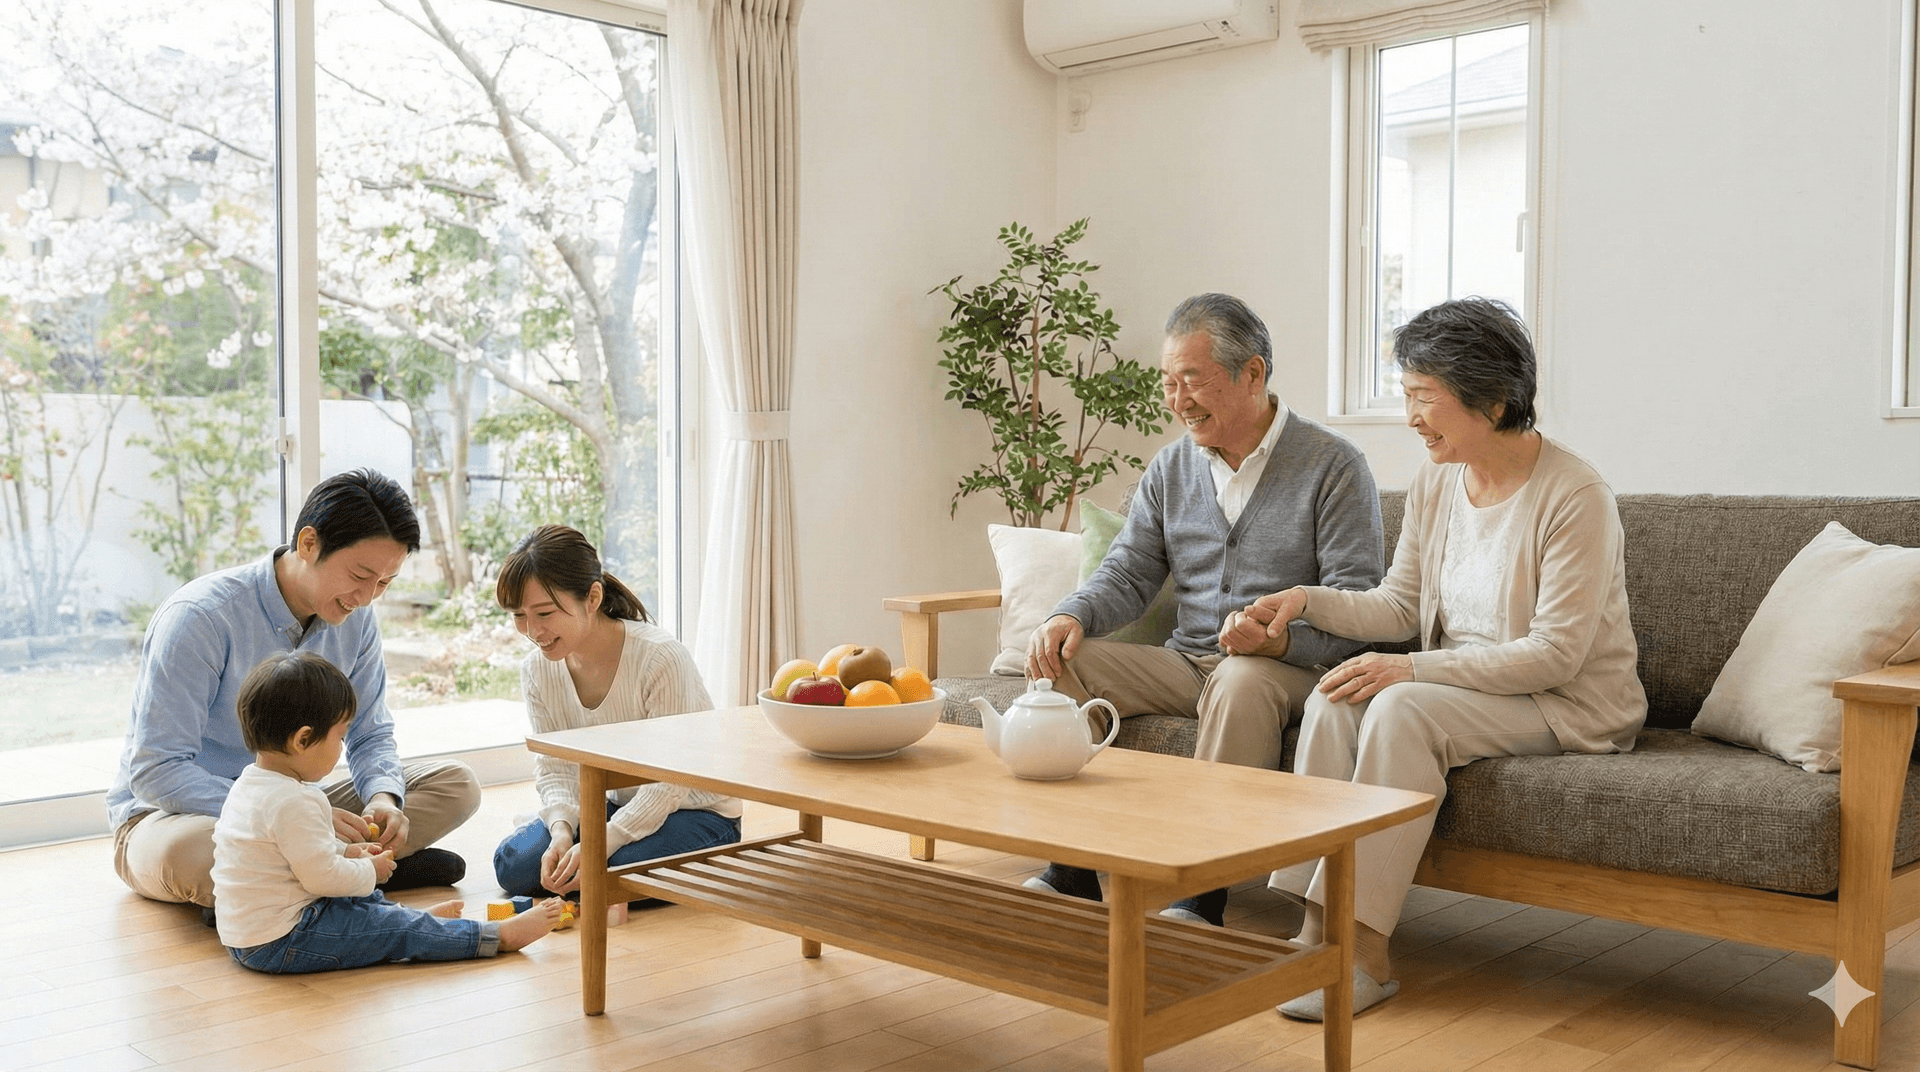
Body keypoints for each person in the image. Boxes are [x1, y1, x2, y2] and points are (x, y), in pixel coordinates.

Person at [1227, 297, 1646, 1020]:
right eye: (1407, 395)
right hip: (1463, 688)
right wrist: (1307, 600)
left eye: (1424, 397)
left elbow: (1554, 655)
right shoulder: (1436, 481)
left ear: (1492, 399)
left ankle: (1365, 953)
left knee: (1398, 707)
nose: (1411, 416)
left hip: (1566, 701)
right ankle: (1314, 932)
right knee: (1335, 693)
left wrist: (1413, 669)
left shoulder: (1576, 496)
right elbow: (1398, 605)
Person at [1024, 292, 1385, 926]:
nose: (1178, 399)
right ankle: (1074, 868)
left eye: (1193, 379)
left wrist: (1279, 644)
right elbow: (1130, 572)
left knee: (1242, 679)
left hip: (1287, 670)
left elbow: (1359, 607)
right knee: (1060, 662)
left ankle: (1203, 895)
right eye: (1169, 382)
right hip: (1190, 663)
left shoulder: (1334, 467)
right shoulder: (1170, 468)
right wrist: (1070, 615)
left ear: (1253, 373)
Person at [109, 469, 481, 910]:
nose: (366, 597)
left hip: (301, 803)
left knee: (457, 785)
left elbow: (370, 733)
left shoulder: (356, 620)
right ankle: (356, 873)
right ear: (309, 544)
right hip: (179, 816)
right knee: (188, 853)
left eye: (384, 583)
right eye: (360, 575)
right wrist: (294, 815)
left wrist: (382, 798)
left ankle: (331, 877)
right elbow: (156, 769)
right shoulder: (201, 618)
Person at [213, 651, 561, 972]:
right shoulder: (294, 801)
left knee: (362, 906)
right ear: (303, 740)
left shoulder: (251, 783)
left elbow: (292, 854)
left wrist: (346, 852)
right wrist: (369, 868)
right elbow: (322, 879)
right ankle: (493, 937)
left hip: (248, 936)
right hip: (283, 940)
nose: (340, 749)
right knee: (392, 930)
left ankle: (414, 921)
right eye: (339, 737)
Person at [491, 525, 742, 899]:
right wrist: (561, 828)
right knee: (515, 866)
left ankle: (650, 868)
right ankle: (602, 873)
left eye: (544, 613)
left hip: (695, 810)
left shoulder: (659, 657)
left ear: (592, 598)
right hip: (611, 806)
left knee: (601, 872)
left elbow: (671, 781)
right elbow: (556, 766)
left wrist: (604, 841)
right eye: (519, 616)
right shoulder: (538, 670)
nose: (532, 631)